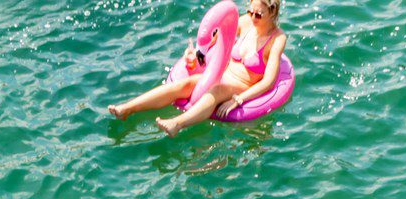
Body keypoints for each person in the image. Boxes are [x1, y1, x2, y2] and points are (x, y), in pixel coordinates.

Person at [106, 0, 288, 135]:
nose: (252, 17)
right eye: (250, 11)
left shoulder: (277, 39)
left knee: (216, 90)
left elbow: (269, 81)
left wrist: (238, 99)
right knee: (187, 84)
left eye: (258, 14)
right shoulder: (246, 22)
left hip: (243, 84)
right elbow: (218, 37)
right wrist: (198, 54)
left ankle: (177, 124)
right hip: (225, 74)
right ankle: (127, 108)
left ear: (272, 13)